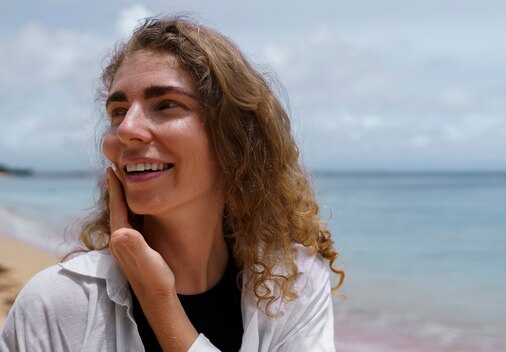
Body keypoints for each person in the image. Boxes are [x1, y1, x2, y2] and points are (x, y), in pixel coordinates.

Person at [1, 16, 344, 352]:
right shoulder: (57, 304)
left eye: (166, 105)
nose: (125, 129)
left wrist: (160, 304)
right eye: (118, 111)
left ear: (234, 140)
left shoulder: (291, 284)